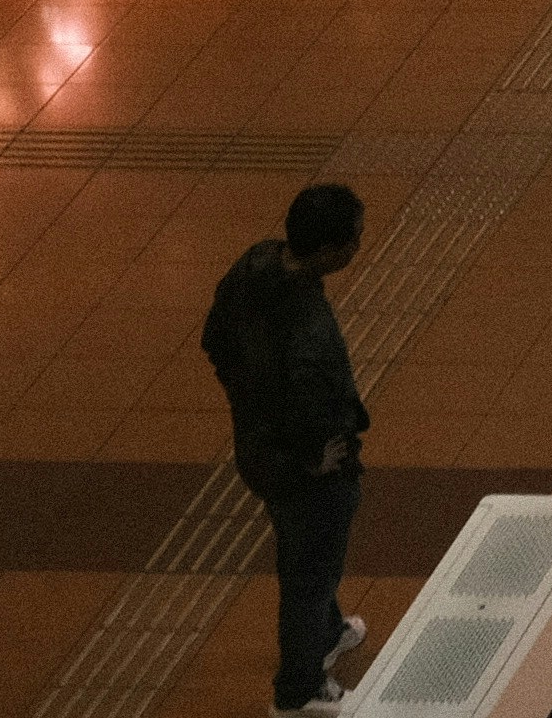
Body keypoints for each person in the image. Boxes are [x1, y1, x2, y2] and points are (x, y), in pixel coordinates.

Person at [202, 181, 373, 714]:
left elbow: (214, 339)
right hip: (305, 470)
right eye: (353, 241)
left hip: (260, 452)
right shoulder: (308, 332)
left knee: (306, 555)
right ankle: (298, 692)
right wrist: (314, 458)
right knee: (308, 572)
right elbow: (316, 408)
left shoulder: (257, 264)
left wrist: (247, 401)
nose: (357, 248)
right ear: (327, 252)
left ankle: (326, 634)